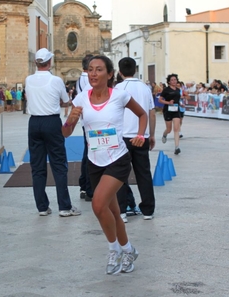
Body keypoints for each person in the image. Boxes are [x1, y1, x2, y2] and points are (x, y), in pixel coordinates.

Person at [63, 55, 147, 275]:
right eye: (90, 69)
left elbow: (142, 114)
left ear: (110, 74)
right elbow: (65, 131)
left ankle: (114, 250)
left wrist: (140, 134)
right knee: (113, 212)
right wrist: (70, 119)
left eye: (99, 70)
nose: (93, 74)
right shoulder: (80, 98)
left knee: (98, 205)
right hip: (94, 161)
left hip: (118, 158)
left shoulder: (120, 96)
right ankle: (129, 250)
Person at [25, 47, 80, 217]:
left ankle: (42, 206)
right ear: (49, 62)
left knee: (37, 166)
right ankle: (64, 206)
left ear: (36, 62)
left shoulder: (28, 79)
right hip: (51, 121)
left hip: (34, 122)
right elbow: (65, 101)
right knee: (58, 164)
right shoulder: (55, 80)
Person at [115, 57, 156, 222]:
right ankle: (148, 210)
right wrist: (151, 134)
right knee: (144, 173)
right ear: (135, 70)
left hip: (123, 136)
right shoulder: (145, 88)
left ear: (119, 71)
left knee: (120, 175)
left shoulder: (118, 87)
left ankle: (122, 211)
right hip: (141, 134)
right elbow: (151, 112)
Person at [76, 54, 94, 201]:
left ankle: (84, 184)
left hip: (85, 120)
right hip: (91, 120)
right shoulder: (87, 80)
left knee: (86, 152)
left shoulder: (80, 79)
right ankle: (89, 187)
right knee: (90, 154)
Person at [159, 73, 182, 155]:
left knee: (176, 128)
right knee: (169, 129)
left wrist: (181, 104)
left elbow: (177, 99)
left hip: (176, 110)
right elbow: (160, 100)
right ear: (169, 82)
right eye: (172, 80)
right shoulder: (166, 90)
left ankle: (177, 147)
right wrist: (168, 102)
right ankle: (165, 134)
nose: (174, 81)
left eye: (175, 80)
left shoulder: (178, 90)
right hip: (168, 111)